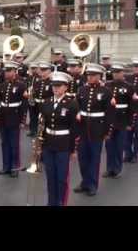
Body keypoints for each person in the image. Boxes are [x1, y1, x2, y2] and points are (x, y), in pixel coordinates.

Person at [74, 63, 112, 197]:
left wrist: (107, 132)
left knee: (94, 158)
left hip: (98, 128)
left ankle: (92, 185)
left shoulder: (106, 91)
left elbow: (109, 113)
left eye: (93, 75)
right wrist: (77, 113)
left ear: (99, 76)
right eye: (88, 75)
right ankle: (84, 182)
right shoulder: (82, 90)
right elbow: (76, 106)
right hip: (83, 128)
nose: (90, 77)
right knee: (82, 157)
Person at [41, 71, 79, 206]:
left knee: (61, 178)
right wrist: (40, 146)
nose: (55, 88)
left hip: (63, 144)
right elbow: (43, 125)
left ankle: (61, 203)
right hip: (49, 144)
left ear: (66, 87)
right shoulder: (46, 102)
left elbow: (74, 128)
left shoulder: (72, 104)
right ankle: (51, 202)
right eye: (53, 85)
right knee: (50, 176)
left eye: (59, 85)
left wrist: (73, 149)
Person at [0, 61, 27, 178]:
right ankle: (6, 166)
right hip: (4, 116)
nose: (6, 73)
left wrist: (22, 120)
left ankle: (15, 167)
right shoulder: (3, 85)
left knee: (14, 143)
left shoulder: (21, 85)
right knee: (4, 143)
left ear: (15, 71)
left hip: (15, 116)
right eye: (5, 71)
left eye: (9, 71)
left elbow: (24, 104)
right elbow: (1, 102)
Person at [104, 62, 133, 179]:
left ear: (122, 73)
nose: (115, 75)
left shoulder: (128, 87)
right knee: (109, 146)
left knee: (119, 146)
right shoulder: (107, 85)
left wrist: (130, 123)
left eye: (118, 72)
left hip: (122, 119)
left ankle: (117, 169)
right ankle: (109, 168)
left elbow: (131, 106)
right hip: (110, 120)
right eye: (114, 72)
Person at [28, 61, 53, 137]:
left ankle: (44, 132)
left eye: (44, 70)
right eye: (41, 69)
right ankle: (33, 130)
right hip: (36, 103)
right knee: (34, 117)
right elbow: (34, 92)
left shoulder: (52, 82)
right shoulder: (38, 82)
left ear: (49, 70)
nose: (42, 72)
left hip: (46, 104)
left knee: (45, 119)